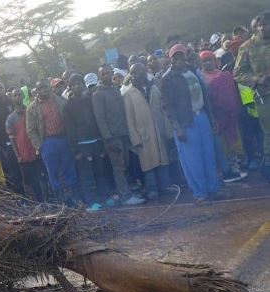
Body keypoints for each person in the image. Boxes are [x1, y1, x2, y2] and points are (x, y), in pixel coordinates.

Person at [161, 44, 225, 205]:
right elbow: (167, 106)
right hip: (185, 123)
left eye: (182, 55)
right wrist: (177, 127)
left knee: (208, 156)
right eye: (176, 56)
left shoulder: (193, 71)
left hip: (202, 117)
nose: (179, 59)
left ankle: (213, 189)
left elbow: (205, 97)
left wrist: (211, 119)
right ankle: (200, 194)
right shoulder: (167, 78)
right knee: (193, 160)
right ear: (171, 58)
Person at [93, 64, 146, 206]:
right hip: (112, 138)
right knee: (118, 168)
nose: (107, 76)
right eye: (103, 74)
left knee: (126, 165)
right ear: (100, 76)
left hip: (123, 133)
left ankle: (128, 191)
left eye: (109, 73)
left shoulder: (116, 90)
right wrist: (109, 139)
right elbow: (100, 120)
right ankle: (126, 196)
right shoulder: (98, 94)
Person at [26, 80, 80, 206]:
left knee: (69, 169)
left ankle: (75, 199)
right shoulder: (31, 108)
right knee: (53, 173)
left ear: (49, 88)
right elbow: (31, 130)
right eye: (40, 89)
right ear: (36, 91)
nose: (43, 91)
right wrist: (39, 146)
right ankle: (62, 202)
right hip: (48, 142)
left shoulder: (60, 100)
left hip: (64, 139)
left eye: (45, 88)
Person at [123, 63, 172, 200]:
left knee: (162, 160)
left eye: (137, 72)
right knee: (148, 164)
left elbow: (163, 110)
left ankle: (165, 187)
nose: (133, 76)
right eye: (132, 73)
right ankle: (152, 189)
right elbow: (129, 119)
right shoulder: (128, 95)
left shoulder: (154, 89)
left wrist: (167, 131)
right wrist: (135, 138)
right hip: (143, 134)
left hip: (159, 130)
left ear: (144, 72)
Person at [64, 74, 111, 211]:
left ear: (83, 85)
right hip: (82, 146)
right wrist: (75, 151)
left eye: (79, 83)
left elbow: (97, 121)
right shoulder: (68, 107)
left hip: (96, 142)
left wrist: (102, 144)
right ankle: (91, 202)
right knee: (86, 175)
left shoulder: (90, 100)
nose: (77, 86)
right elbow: (70, 130)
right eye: (74, 84)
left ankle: (105, 197)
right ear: (70, 87)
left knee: (100, 172)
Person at [199, 50, 247, 182]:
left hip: (230, 117)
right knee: (219, 145)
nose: (208, 63)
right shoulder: (200, 78)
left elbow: (232, 96)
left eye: (210, 60)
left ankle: (236, 167)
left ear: (215, 61)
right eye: (204, 61)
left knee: (233, 141)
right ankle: (225, 170)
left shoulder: (224, 75)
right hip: (215, 118)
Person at [234, 11, 270, 182]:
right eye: (260, 25)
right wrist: (256, 79)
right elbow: (238, 73)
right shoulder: (247, 46)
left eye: (266, 24)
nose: (263, 27)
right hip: (265, 96)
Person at [0, 82, 24, 193]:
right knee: (12, 171)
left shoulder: (11, 102)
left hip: (19, 139)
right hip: (6, 144)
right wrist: (1, 145)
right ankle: (19, 195)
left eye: (1, 87)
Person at [7, 90, 45, 201]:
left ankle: (47, 200)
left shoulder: (32, 110)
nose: (18, 97)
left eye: (19, 94)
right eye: (15, 95)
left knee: (42, 178)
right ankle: (36, 202)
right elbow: (12, 139)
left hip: (36, 150)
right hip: (24, 155)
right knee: (30, 181)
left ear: (23, 96)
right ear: (12, 98)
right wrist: (17, 155)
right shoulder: (10, 119)